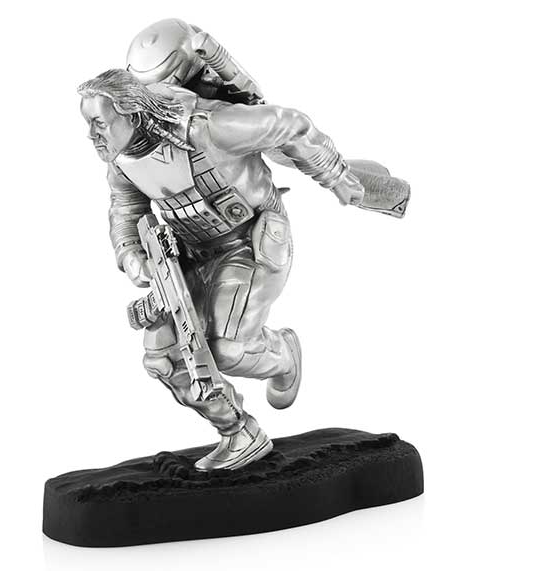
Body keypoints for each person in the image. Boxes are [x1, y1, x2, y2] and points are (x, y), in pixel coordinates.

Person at [78, 69, 366, 470]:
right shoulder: (121, 159)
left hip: (249, 241)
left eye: (99, 123)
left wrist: (336, 176)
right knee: (162, 357)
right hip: (187, 256)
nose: (91, 135)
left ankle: (282, 355)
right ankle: (239, 433)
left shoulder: (209, 128)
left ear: (133, 114)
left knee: (226, 350)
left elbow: (292, 125)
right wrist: (131, 256)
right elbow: (126, 208)